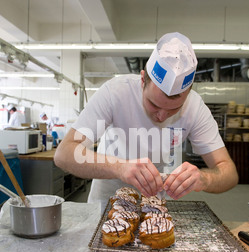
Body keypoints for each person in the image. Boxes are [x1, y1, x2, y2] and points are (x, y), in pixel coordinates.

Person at [54, 32, 238, 208]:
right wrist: (119, 168)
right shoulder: (115, 92)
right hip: (107, 202)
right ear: (143, 80)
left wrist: (204, 179)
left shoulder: (195, 108)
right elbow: (64, 154)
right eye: (154, 104)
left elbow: (229, 173)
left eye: (174, 108)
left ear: (188, 93)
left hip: (153, 203)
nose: (162, 116)